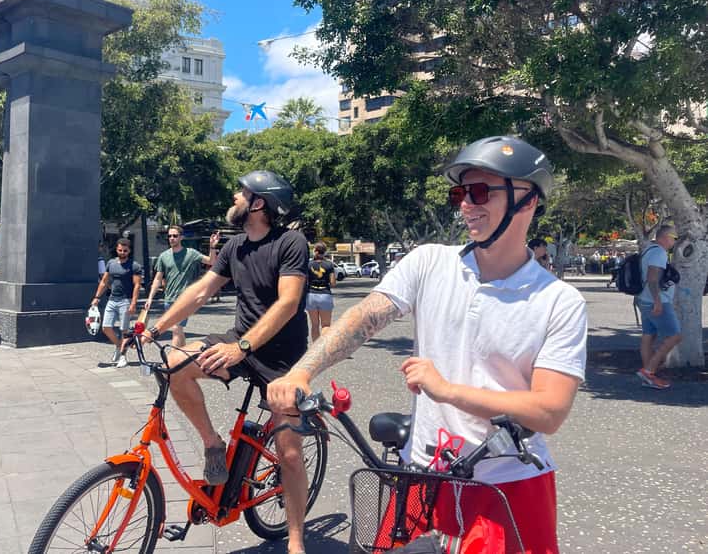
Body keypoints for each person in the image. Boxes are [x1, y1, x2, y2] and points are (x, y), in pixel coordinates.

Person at [269, 136, 588, 553]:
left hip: (507, 485)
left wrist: (447, 391)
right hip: (421, 475)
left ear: (527, 200)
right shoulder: (430, 262)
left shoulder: (559, 301)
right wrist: (301, 371)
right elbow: (363, 317)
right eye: (460, 193)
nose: (465, 205)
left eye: (479, 192)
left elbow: (548, 411)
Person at [140, 170, 310, 554]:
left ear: (259, 203)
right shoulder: (235, 247)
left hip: (283, 359)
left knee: (290, 454)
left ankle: (296, 540)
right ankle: (213, 444)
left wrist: (243, 347)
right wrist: (155, 328)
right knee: (174, 364)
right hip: (242, 342)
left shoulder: (290, 242)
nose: (235, 196)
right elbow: (200, 291)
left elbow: (288, 303)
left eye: (242, 192)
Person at [143, 226, 220, 347]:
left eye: (175, 236)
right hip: (168, 300)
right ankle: (183, 357)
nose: (172, 238)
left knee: (175, 328)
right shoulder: (163, 256)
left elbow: (211, 261)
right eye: (169, 236)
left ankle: (172, 360)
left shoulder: (191, 253)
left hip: (185, 300)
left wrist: (212, 246)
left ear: (181, 237)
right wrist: (150, 298)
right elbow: (158, 279)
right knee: (178, 330)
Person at [636, 226, 682, 390]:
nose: (674, 241)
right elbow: (653, 278)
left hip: (643, 299)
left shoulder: (649, 249)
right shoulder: (659, 252)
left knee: (649, 336)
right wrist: (657, 301)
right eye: (673, 237)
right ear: (664, 237)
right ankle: (648, 371)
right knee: (675, 336)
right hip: (656, 300)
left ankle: (648, 375)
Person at [90, 238, 142, 367]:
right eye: (120, 250)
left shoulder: (134, 266)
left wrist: (134, 303)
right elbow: (104, 282)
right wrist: (97, 297)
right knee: (106, 327)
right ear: (117, 249)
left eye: (125, 250)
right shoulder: (111, 263)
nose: (122, 252)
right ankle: (119, 347)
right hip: (112, 299)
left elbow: (137, 285)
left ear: (129, 251)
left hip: (126, 300)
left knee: (124, 330)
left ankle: (123, 357)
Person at [307, 242, 337, 341]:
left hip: (311, 295)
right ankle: (324, 349)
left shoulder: (308, 264)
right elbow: (333, 283)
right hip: (325, 294)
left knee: (314, 325)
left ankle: (315, 350)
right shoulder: (329, 264)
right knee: (326, 325)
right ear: (324, 252)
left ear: (315, 251)